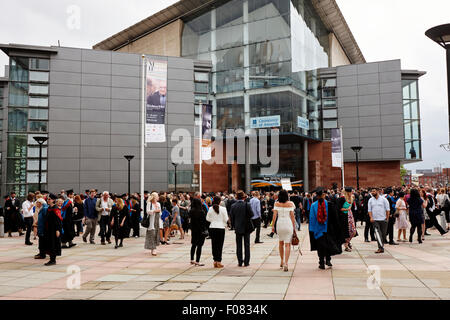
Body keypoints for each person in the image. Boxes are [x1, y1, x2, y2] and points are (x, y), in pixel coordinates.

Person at [309, 187, 343, 269]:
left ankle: (321, 262)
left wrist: (312, 230)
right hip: (327, 229)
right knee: (327, 245)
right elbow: (335, 218)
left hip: (319, 229)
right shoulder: (329, 204)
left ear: (317, 196)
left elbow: (312, 218)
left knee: (320, 246)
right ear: (324, 195)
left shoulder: (314, 205)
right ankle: (328, 260)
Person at [272, 190, 296, 272]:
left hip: (279, 224)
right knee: (287, 244)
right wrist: (294, 227)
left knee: (280, 243)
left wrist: (272, 226)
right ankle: (286, 263)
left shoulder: (276, 204)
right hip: (288, 223)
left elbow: (274, 216)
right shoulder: (291, 204)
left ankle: (282, 261)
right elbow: (292, 216)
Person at [230, 191, 255, 267]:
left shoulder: (233, 206)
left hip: (238, 227)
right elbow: (252, 214)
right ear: (244, 197)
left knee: (239, 245)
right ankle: (246, 262)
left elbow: (232, 217)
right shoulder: (247, 204)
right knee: (247, 245)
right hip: (246, 227)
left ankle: (240, 261)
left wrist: (234, 225)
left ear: (236, 197)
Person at [206, 196, 228, 268]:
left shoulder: (210, 209)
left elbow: (207, 218)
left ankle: (215, 260)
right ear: (219, 202)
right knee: (220, 245)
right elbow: (226, 219)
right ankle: (219, 261)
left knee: (214, 244)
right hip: (221, 227)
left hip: (212, 227)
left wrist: (213, 221)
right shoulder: (223, 209)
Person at [42, 195, 63, 266]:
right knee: (49, 244)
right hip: (48, 229)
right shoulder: (49, 208)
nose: (48, 200)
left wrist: (58, 230)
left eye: (49, 199)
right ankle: (51, 259)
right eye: (47, 199)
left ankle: (53, 260)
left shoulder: (56, 209)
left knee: (53, 244)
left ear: (53, 200)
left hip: (54, 230)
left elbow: (58, 220)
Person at [368, 188, 390, 254]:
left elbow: (387, 209)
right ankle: (380, 248)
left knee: (383, 234)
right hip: (375, 220)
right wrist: (371, 217)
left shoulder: (384, 199)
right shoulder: (370, 200)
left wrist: (387, 217)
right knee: (377, 234)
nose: (372, 192)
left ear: (377, 192)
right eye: (371, 191)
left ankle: (381, 246)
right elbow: (369, 210)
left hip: (383, 219)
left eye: (374, 191)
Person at [189, 198, 208, 266]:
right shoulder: (201, 212)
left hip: (194, 230)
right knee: (199, 246)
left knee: (193, 245)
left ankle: (191, 259)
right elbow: (204, 223)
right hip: (200, 231)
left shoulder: (191, 211)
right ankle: (197, 261)